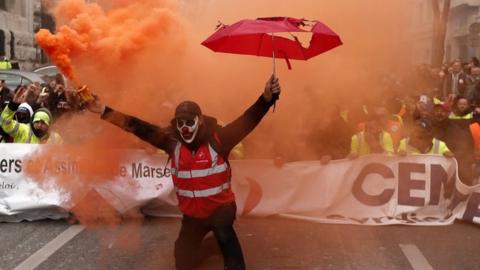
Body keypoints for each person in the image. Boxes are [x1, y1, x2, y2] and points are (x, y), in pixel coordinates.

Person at [85, 75, 281, 270]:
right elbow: (138, 127)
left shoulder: (219, 139)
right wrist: (103, 110)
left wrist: (266, 99)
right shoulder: (172, 143)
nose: (184, 128)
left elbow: (247, 121)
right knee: (183, 261)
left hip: (220, 209)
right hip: (193, 216)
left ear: (200, 121)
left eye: (189, 122)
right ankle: (211, 247)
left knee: (224, 232)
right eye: (180, 123)